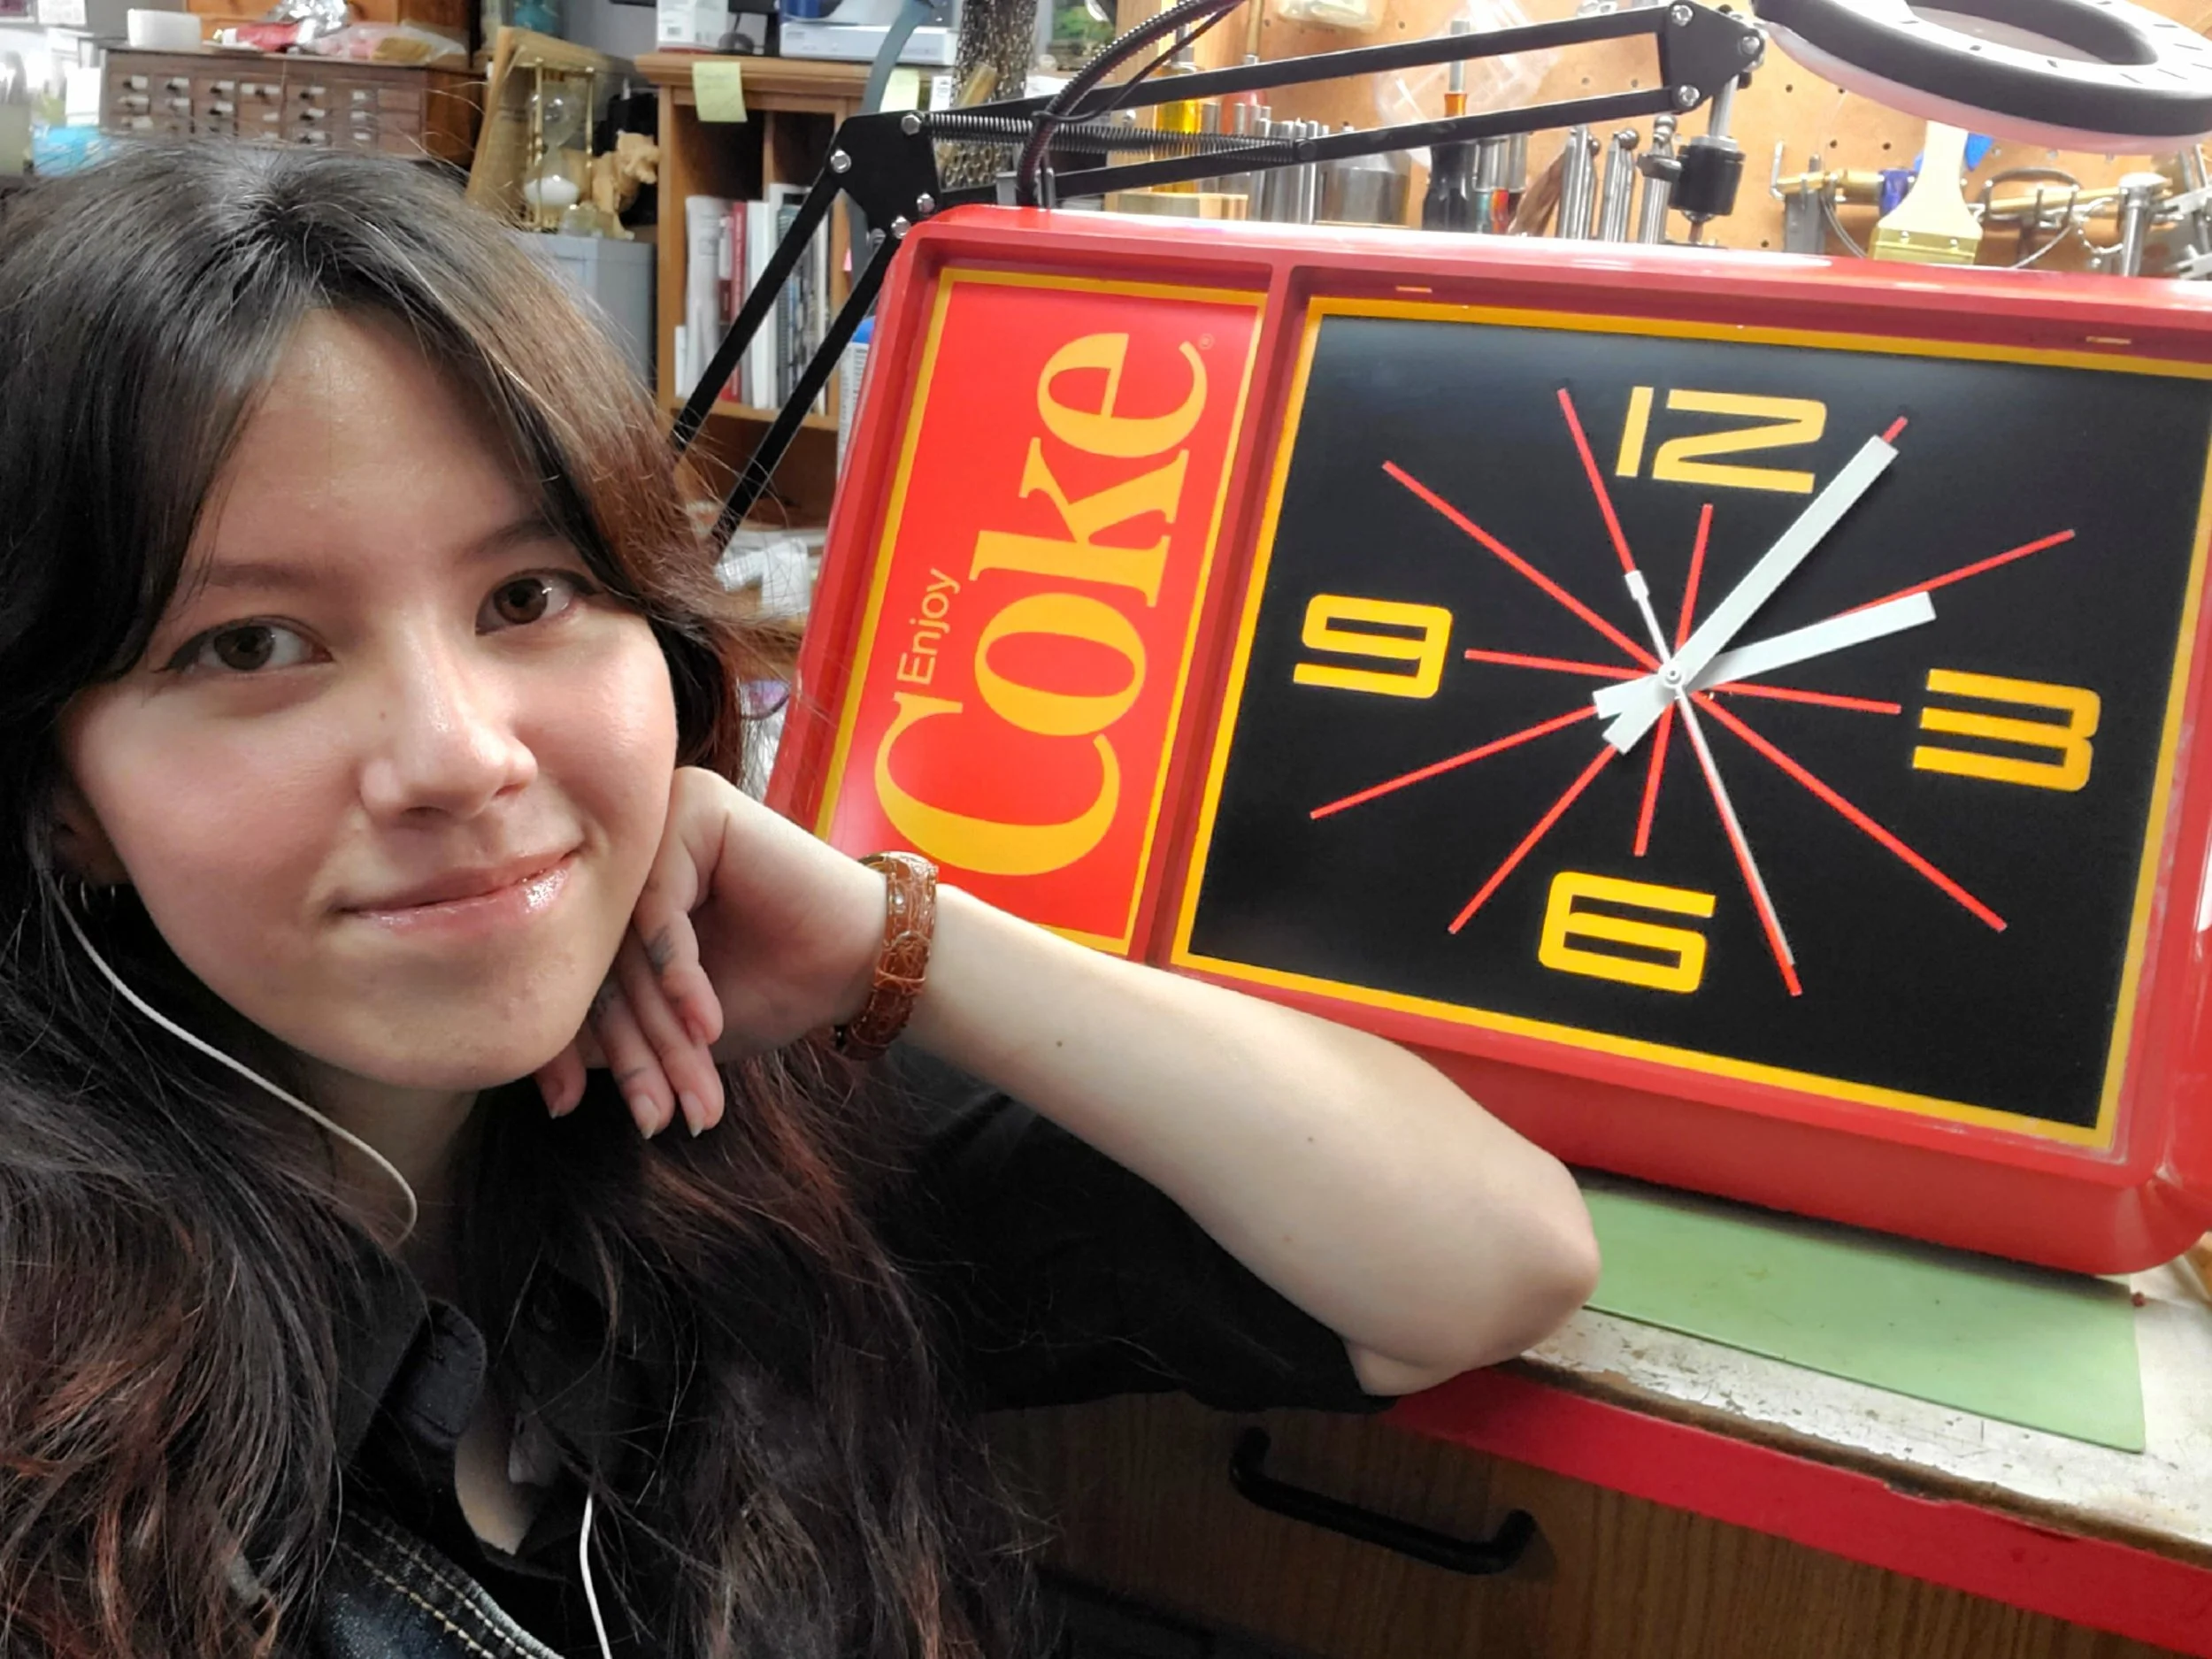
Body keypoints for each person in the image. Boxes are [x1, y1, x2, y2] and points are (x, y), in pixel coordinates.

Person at [0, 143, 1598, 1659]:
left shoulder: (735, 1135)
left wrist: (899, 941)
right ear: (62, 791)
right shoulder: (48, 1391)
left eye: (529, 594)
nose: (463, 754)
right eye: (251, 646)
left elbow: (1483, 1257)